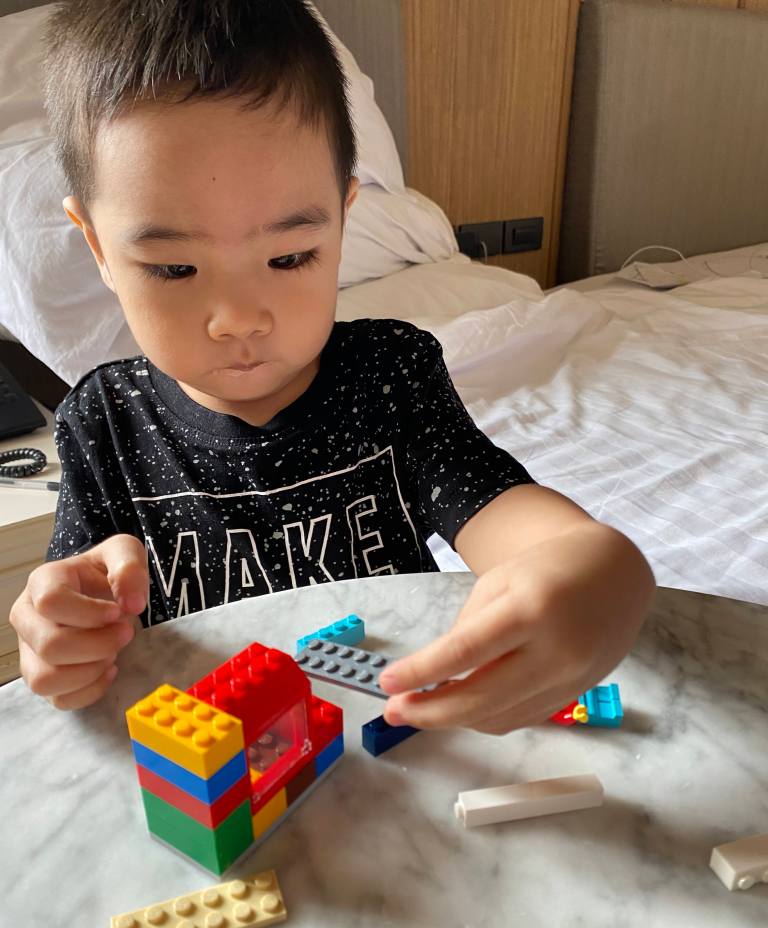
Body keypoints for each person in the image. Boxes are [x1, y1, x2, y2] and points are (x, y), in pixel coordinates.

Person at [10, 0, 655, 730]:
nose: (239, 319)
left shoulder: (391, 375)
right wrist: (61, 634)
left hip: (392, 756)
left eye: (289, 257)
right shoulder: (104, 424)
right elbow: (72, 609)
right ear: (95, 245)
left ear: (344, 218)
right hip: (216, 776)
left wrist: (599, 569)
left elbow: (518, 521)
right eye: (175, 268)